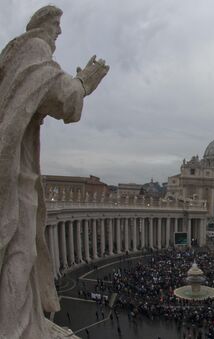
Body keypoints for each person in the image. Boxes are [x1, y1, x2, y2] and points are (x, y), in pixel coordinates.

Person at [0, 5, 108, 338]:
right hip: (17, 180)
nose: (60, 32)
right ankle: (17, 330)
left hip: (14, 172)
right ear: (44, 26)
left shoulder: (11, 57)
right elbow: (63, 99)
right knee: (20, 254)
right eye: (57, 26)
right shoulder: (35, 51)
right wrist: (84, 83)